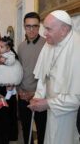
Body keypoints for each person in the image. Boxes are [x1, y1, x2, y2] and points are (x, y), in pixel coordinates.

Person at [29, 10, 80, 144]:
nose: (44, 33)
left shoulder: (77, 49)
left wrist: (48, 103)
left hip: (68, 115)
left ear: (63, 30)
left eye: (48, 29)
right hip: (51, 110)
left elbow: (76, 99)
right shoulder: (50, 42)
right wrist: (38, 96)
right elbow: (43, 76)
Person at [17, 12, 46, 144]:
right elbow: (19, 71)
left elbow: (50, 75)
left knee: (42, 131)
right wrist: (19, 90)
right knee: (26, 129)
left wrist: (35, 93)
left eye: (35, 26)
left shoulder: (47, 45)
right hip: (23, 97)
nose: (31, 29)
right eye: (28, 26)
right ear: (24, 27)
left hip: (40, 97)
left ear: (39, 27)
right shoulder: (21, 46)